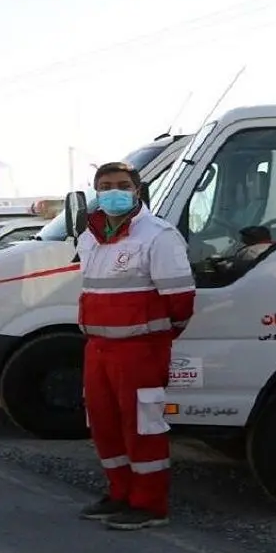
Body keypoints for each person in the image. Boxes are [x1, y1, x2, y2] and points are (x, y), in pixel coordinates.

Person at [76, 161, 195, 531]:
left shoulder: (158, 236)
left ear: (137, 191)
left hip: (140, 349)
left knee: (143, 426)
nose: (114, 192)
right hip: (98, 347)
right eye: (105, 186)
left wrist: (155, 336)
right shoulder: (89, 237)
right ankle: (120, 493)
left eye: (122, 185)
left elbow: (180, 300)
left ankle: (149, 504)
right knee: (103, 424)